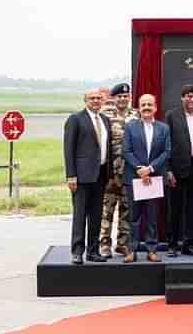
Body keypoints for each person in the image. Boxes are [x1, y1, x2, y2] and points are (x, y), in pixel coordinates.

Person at [63, 88, 114, 264]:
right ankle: (77, 252)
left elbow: (108, 150)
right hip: (82, 176)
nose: (95, 101)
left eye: (99, 98)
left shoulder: (105, 120)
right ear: (85, 100)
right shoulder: (75, 120)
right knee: (80, 215)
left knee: (96, 216)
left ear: (103, 100)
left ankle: (93, 251)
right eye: (92, 98)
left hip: (100, 175)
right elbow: (68, 149)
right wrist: (71, 175)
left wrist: (110, 174)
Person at [122, 94, 171, 263]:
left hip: (154, 178)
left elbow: (167, 152)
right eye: (143, 104)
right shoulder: (130, 127)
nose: (146, 107)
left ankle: (152, 249)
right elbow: (126, 151)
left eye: (150, 104)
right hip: (135, 178)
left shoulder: (163, 128)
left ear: (155, 107)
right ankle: (131, 250)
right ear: (139, 108)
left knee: (152, 216)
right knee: (134, 217)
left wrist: (150, 169)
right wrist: (139, 169)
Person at [165, 84, 193, 257]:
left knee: (192, 209)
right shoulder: (171, 116)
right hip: (176, 169)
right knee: (175, 209)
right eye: (188, 96)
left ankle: (188, 244)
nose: (191, 99)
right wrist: (168, 170)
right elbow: (166, 144)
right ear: (182, 98)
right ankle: (172, 245)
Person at [99, 83, 139, 258]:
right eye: (119, 96)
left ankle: (122, 244)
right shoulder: (105, 116)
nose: (123, 99)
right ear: (114, 98)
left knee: (126, 208)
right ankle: (104, 244)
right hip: (110, 172)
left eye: (126, 96)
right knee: (106, 210)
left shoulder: (136, 115)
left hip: (129, 172)